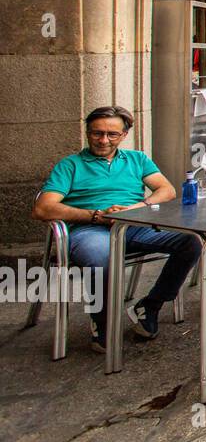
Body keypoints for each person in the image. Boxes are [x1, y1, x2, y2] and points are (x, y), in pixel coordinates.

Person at [32, 106, 194, 350]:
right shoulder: (70, 165)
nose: (103, 140)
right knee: (100, 257)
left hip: (134, 225)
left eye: (112, 134)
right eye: (97, 133)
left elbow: (167, 190)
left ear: (124, 135)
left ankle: (150, 306)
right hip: (89, 229)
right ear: (87, 133)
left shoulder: (137, 159)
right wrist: (96, 215)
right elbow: (43, 208)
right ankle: (102, 322)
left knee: (190, 241)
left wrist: (138, 207)